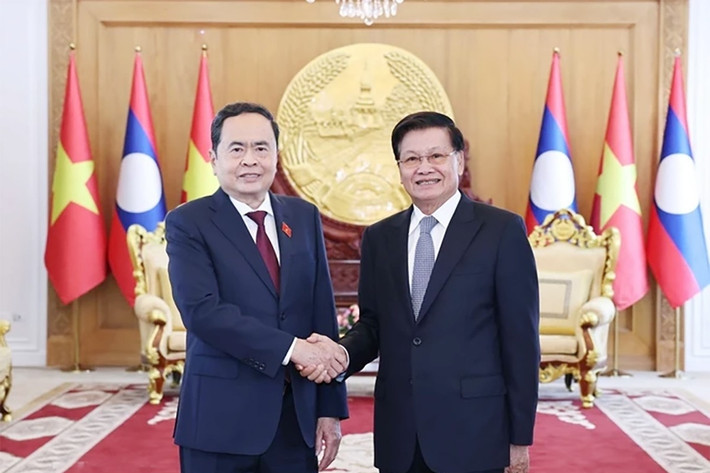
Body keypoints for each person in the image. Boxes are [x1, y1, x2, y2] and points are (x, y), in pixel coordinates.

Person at [301, 111, 540, 473]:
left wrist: (519, 437)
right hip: (401, 433)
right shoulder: (380, 237)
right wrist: (341, 355)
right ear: (399, 168)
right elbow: (373, 325)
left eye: (436, 156)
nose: (424, 167)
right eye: (411, 159)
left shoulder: (501, 231)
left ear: (458, 160)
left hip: (476, 432)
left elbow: (520, 340)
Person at [166, 102, 348, 473]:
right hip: (219, 422)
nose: (250, 159)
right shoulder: (189, 222)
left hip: (294, 422)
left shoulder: (303, 216)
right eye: (237, 148)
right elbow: (203, 312)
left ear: (276, 157)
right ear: (214, 158)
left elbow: (321, 314)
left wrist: (330, 410)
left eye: (261, 148)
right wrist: (292, 349)